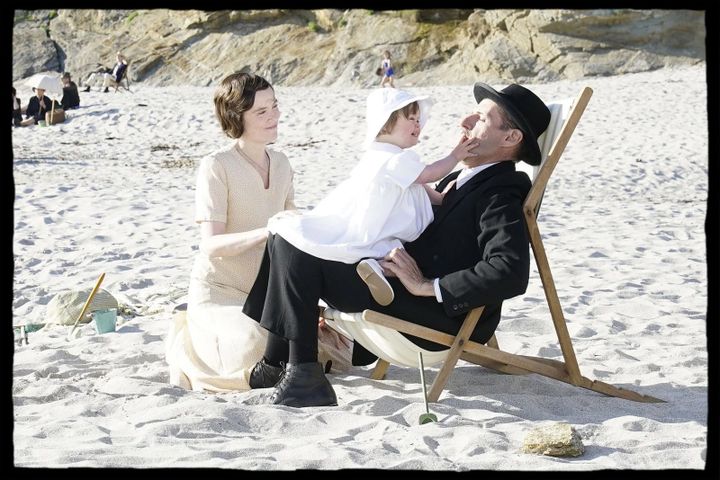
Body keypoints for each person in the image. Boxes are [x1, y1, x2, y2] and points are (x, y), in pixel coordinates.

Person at [242, 81, 552, 407]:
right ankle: (280, 364)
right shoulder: (459, 181)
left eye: (481, 119)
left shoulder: (501, 191)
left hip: (432, 316)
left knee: (296, 247)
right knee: (285, 233)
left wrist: (426, 285)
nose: (465, 122)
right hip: (392, 283)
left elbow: (509, 271)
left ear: (510, 138)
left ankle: (301, 372)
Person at [164, 72, 350, 393]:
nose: (274, 116)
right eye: (261, 112)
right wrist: (268, 231)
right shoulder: (216, 166)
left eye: (274, 106)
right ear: (237, 117)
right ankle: (191, 333)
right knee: (256, 346)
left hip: (268, 296)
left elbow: (294, 233)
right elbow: (211, 245)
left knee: (340, 345)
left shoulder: (281, 163)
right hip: (220, 293)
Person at [268, 88, 479, 307]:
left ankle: (376, 268)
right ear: (386, 123)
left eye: (419, 119)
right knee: (380, 242)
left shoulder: (381, 155)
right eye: (411, 119)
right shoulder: (394, 159)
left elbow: (418, 185)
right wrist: (455, 155)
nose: (418, 125)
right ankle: (378, 268)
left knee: (382, 246)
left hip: (377, 215)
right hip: (384, 219)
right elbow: (429, 174)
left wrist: (440, 198)